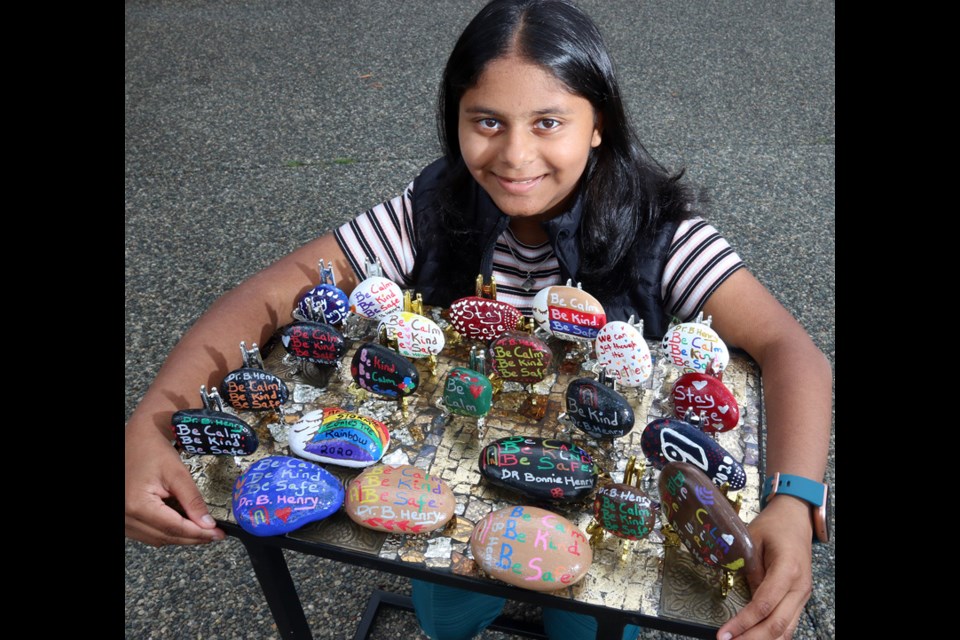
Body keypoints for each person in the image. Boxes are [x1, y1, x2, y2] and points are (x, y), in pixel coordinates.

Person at [124, 1, 832, 639]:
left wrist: (793, 502)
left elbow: (788, 349)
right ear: (454, 119)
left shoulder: (658, 233)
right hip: (451, 489)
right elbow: (269, 296)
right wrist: (155, 416)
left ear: (598, 126)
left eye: (549, 122)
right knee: (448, 610)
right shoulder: (432, 210)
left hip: (600, 492)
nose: (516, 155)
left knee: (585, 616)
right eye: (486, 122)